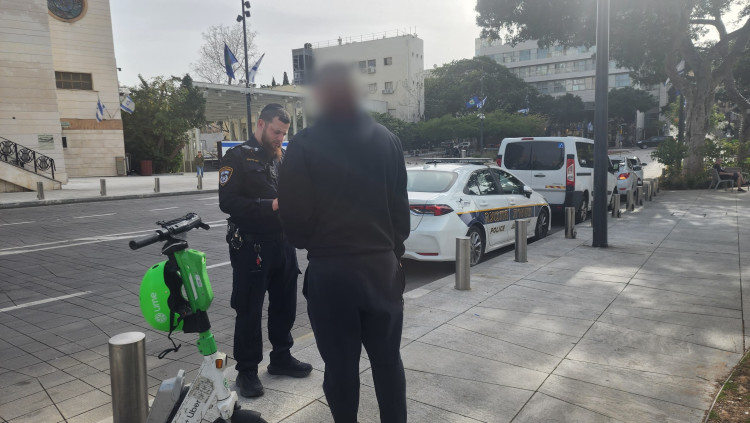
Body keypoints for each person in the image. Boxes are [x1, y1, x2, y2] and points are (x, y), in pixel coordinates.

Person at [278, 64, 410, 423]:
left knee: (340, 367)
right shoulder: (388, 140)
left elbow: (294, 220)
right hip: (382, 267)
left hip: (332, 270)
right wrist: (392, 252)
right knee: (388, 361)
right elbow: (401, 212)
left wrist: (317, 243)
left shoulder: (304, 144)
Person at [218, 103, 312, 398]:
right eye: (276, 132)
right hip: (251, 245)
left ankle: (281, 357)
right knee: (249, 309)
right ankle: (247, 370)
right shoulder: (236, 157)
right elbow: (227, 202)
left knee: (285, 304)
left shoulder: (280, 158)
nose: (280, 138)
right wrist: (269, 205)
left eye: (284, 133)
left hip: (282, 243)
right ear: (260, 124)